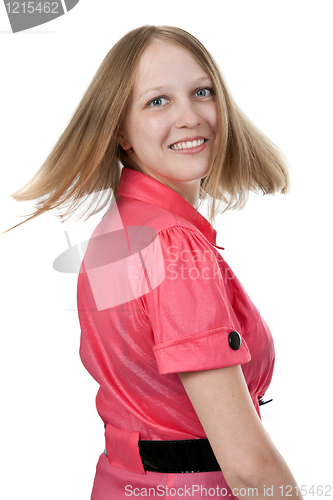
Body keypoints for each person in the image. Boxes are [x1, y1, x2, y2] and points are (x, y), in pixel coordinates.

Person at [10, 25, 303, 500]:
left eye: (202, 92)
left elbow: (140, 380)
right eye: (157, 101)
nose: (190, 116)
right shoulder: (173, 245)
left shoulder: (118, 230)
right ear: (120, 130)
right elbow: (249, 467)